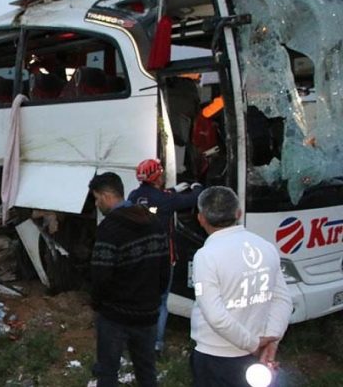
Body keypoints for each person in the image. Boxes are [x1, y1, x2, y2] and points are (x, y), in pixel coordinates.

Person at [190, 186, 292, 386]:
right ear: (239, 213)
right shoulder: (265, 246)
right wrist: (272, 339)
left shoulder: (206, 256)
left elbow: (216, 316)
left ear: (201, 218)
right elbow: (283, 299)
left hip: (215, 356)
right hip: (257, 356)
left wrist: (253, 344)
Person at [88, 172, 169, 387]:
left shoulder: (109, 229)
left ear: (106, 196)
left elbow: (100, 276)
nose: (97, 204)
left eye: (96, 198)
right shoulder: (153, 221)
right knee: (146, 371)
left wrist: (97, 304)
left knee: (108, 372)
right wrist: (155, 300)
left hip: (116, 317)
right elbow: (164, 269)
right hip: (148, 315)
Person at [128, 158, 203, 355]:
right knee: (161, 302)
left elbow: (158, 199)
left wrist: (175, 190)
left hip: (140, 258)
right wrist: (197, 187)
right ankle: (156, 345)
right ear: (156, 176)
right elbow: (193, 199)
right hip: (162, 259)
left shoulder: (134, 196)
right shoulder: (165, 200)